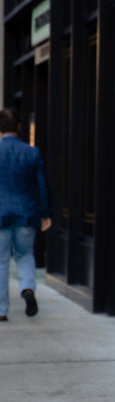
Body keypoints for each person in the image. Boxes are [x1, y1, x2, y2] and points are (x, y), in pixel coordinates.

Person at [0, 108, 52, 322]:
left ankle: (1, 310)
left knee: (1, 261)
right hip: (26, 214)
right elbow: (42, 187)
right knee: (25, 255)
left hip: (1, 215)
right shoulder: (32, 152)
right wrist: (45, 214)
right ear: (19, 128)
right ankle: (28, 289)